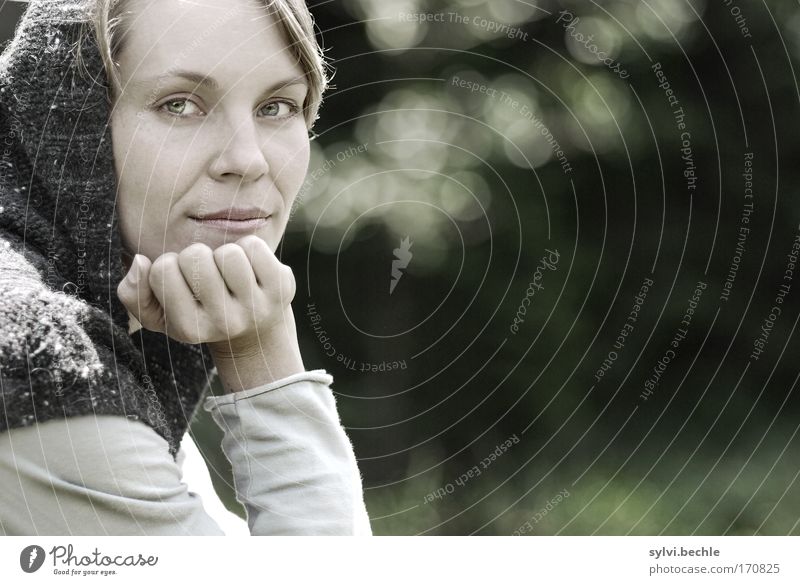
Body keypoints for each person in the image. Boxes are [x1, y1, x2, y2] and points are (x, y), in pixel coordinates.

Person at [0, 0, 372, 535]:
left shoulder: (114, 329)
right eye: (179, 105)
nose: (248, 160)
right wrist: (266, 363)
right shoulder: (40, 363)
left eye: (277, 106)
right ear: (64, 120)